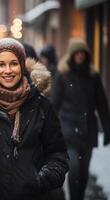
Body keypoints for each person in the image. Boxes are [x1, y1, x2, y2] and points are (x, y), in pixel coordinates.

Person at [0, 38, 69, 200]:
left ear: (21, 65)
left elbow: (57, 154)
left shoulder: (41, 105)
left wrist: (40, 180)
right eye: (1, 64)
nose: (8, 70)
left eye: (13, 63)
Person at [52, 38, 110, 200]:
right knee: (75, 169)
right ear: (71, 55)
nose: (79, 56)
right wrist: (47, 129)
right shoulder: (63, 76)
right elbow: (54, 105)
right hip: (68, 130)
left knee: (84, 171)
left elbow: (102, 105)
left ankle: (80, 196)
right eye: (76, 53)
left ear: (86, 55)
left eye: (82, 53)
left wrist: (107, 129)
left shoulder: (93, 76)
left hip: (88, 130)